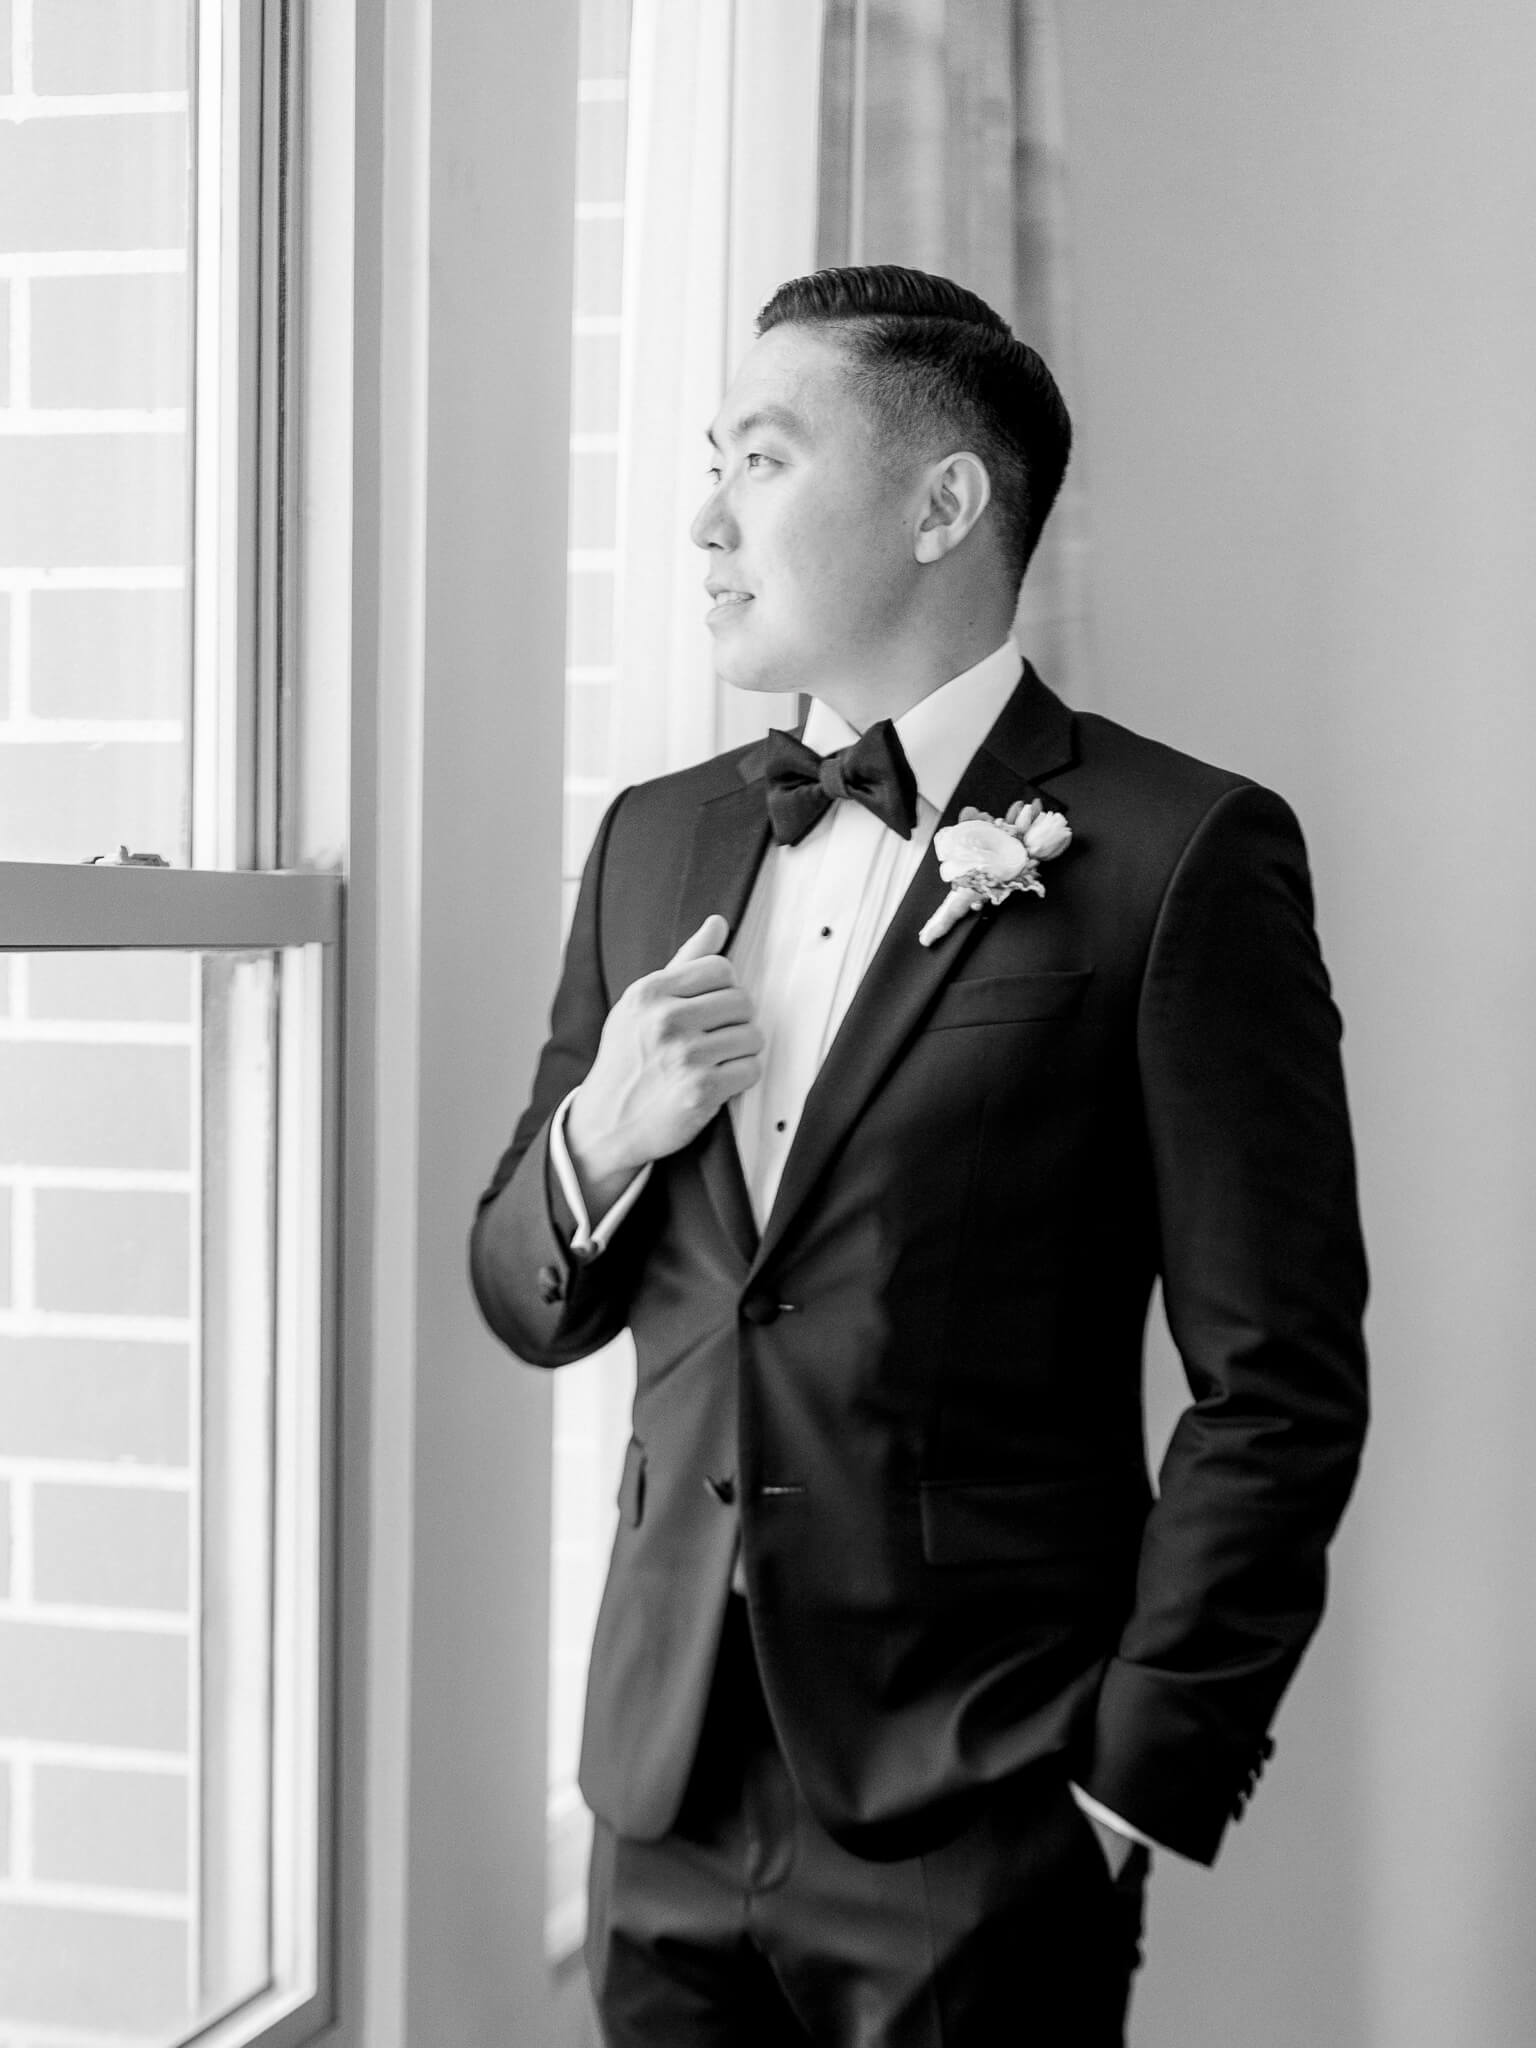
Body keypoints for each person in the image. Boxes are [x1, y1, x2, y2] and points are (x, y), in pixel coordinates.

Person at [470, 265, 1368, 2046]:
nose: (708, 517)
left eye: (764, 459)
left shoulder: (1179, 854)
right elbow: (522, 1295)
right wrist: (601, 1135)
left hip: (987, 1812)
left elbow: (1280, 1385)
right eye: (710, 460)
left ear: (945, 502)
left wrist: (1133, 1782)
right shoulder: (657, 839)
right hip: (659, 1805)